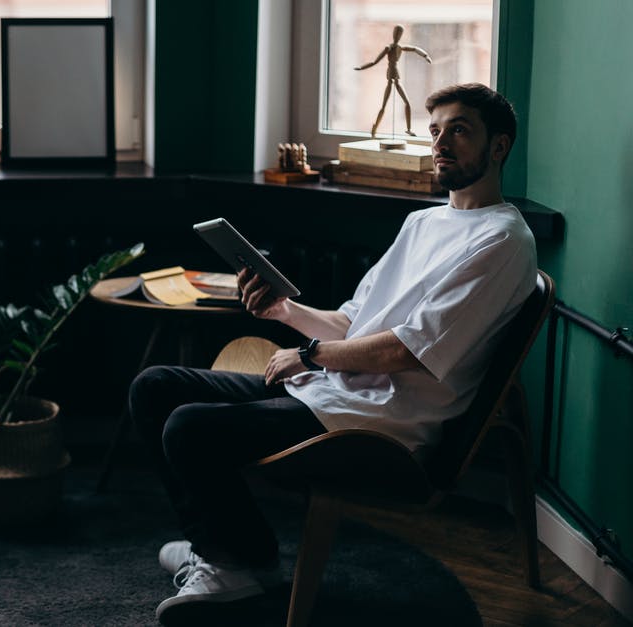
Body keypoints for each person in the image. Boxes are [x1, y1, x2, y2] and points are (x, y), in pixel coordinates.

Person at [129, 83, 536, 622]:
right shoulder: (425, 221)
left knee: (188, 427)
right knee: (154, 387)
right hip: (330, 390)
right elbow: (352, 321)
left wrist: (311, 355)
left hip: (376, 422)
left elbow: (408, 352)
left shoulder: (503, 241)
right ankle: (228, 553)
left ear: (499, 146)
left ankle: (235, 561)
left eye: (459, 130)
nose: (441, 143)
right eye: (435, 131)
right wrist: (284, 312)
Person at [355, 24, 432, 138]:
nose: (397, 36)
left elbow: (415, 49)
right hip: (391, 74)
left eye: (399, 34)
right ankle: (374, 129)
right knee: (384, 105)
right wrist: (361, 68)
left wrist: (425, 56)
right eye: (396, 33)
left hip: (396, 74)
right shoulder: (388, 48)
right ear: (393, 35)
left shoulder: (401, 47)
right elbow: (374, 62)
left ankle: (408, 129)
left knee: (406, 102)